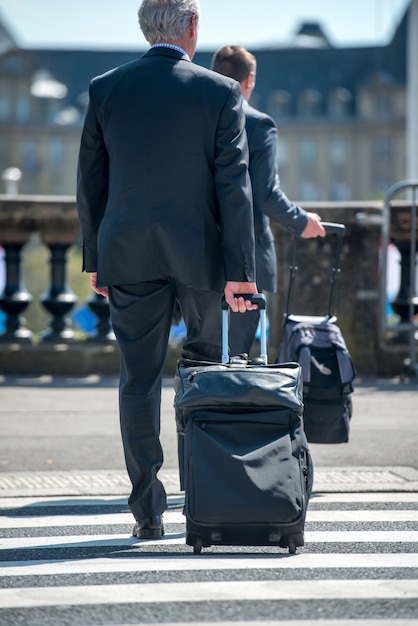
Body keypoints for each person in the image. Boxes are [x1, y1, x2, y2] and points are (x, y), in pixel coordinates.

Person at [76, 0, 258, 540]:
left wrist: (96, 257)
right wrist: (241, 271)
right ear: (193, 28)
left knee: (138, 380)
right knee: (200, 376)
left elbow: (90, 183)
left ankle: (147, 511)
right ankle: (201, 500)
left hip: (127, 254)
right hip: (200, 256)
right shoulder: (221, 91)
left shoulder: (105, 88)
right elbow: (234, 188)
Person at [211, 45, 326, 356]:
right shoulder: (258, 123)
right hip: (246, 257)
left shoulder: (194, 120)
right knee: (236, 356)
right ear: (249, 79)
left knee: (202, 355)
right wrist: (301, 221)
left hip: (198, 254)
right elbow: (265, 193)